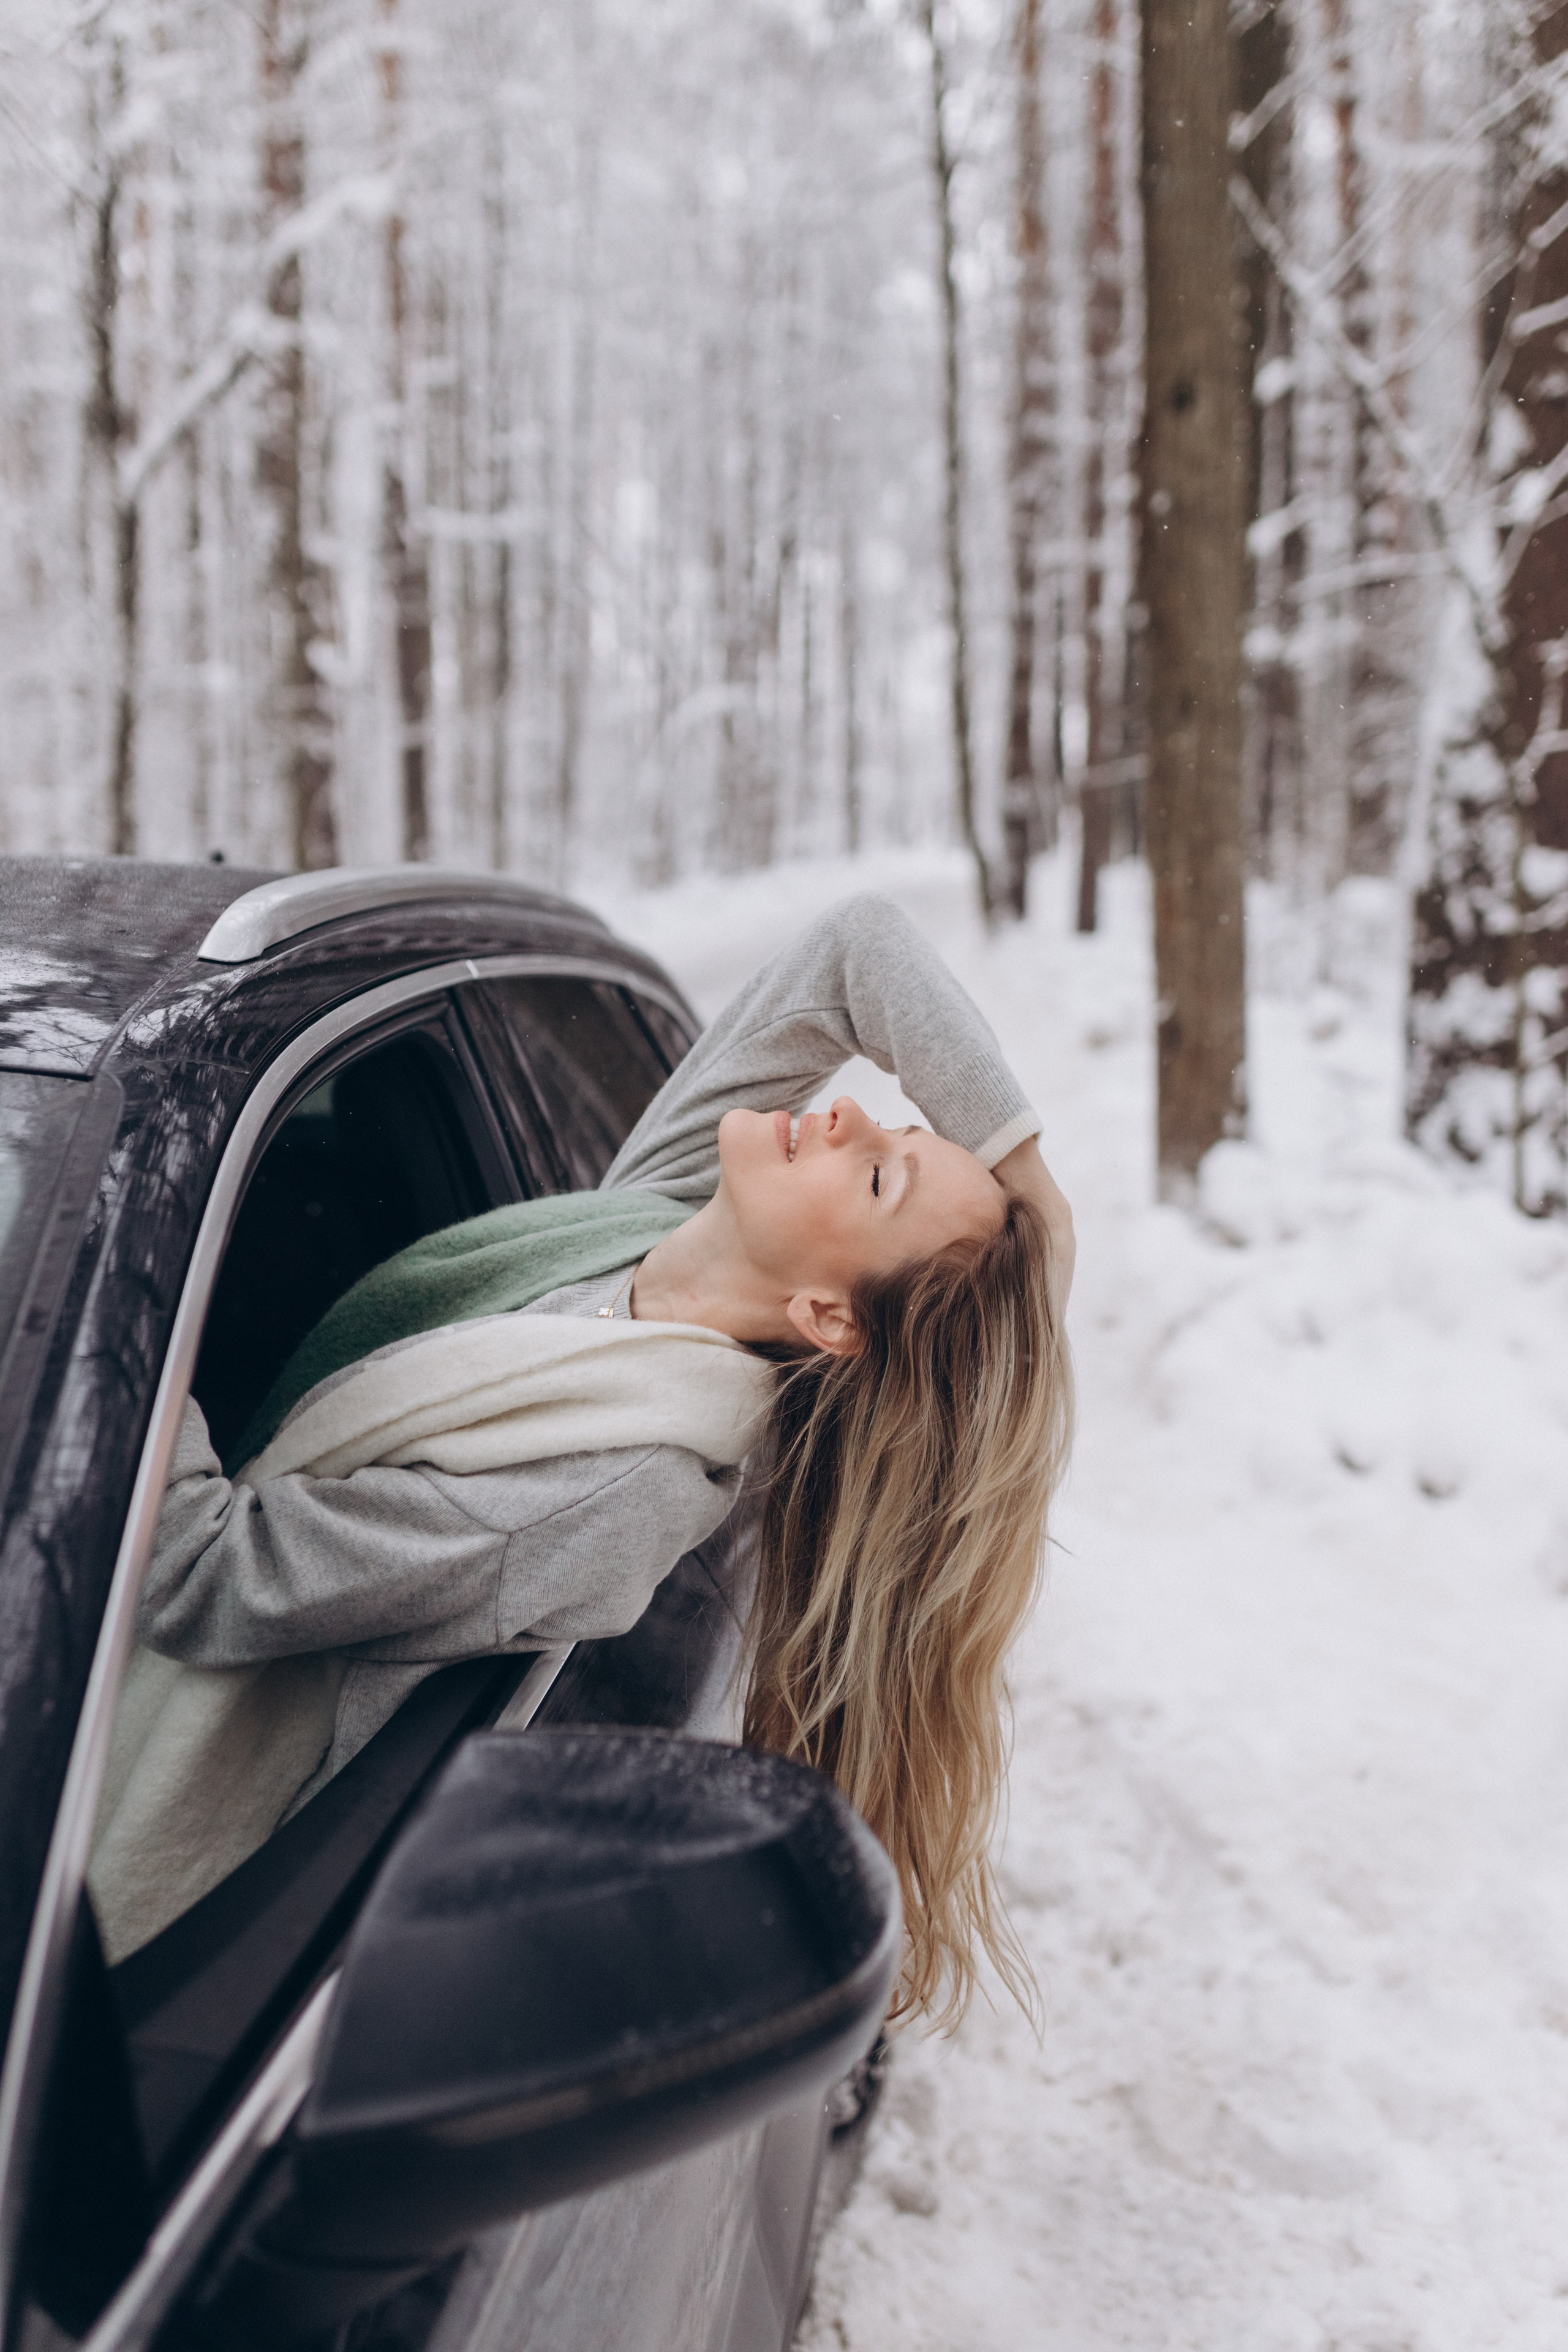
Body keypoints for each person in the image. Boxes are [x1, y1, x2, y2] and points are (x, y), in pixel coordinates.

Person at [93, 894, 1074, 2021]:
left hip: (120, 1753)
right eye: (898, 1127)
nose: (847, 1113)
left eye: (879, 1177)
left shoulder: (609, 1494)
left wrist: (111, 1288)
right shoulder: (646, 1218)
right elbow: (855, 949)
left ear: (830, 1320)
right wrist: (1027, 1173)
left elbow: (204, 1575)